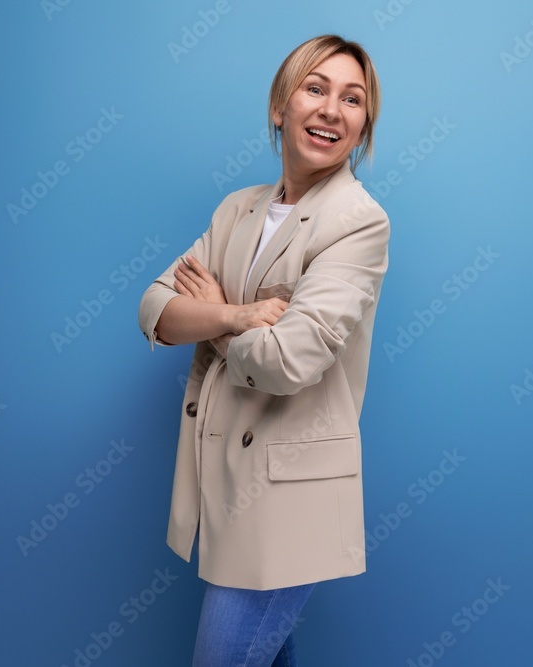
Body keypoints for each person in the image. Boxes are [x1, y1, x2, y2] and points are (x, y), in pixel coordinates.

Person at [138, 34, 388, 666]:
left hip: (287, 499)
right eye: (315, 88)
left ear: (363, 127)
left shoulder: (358, 221)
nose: (331, 109)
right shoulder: (237, 210)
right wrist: (238, 314)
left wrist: (211, 325)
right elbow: (156, 311)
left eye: (352, 99)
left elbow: (287, 361)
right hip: (223, 480)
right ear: (280, 106)